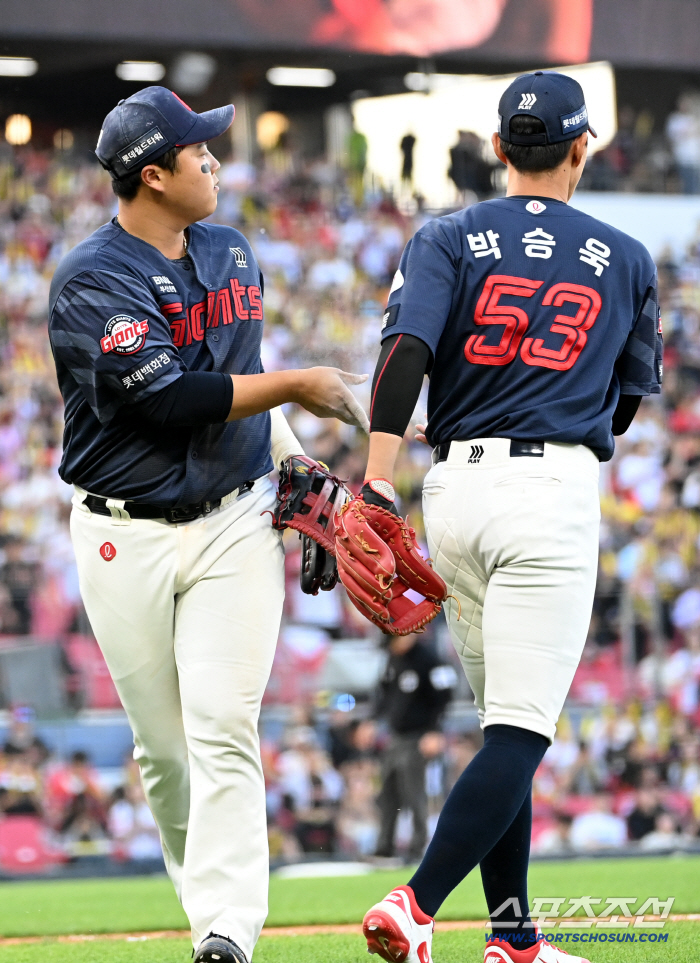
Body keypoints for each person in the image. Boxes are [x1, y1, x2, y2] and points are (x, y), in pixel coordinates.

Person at [48, 86, 368, 963]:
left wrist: (296, 455)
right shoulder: (91, 278)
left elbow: (241, 376)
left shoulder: (230, 252)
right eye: (199, 152)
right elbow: (169, 397)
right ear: (153, 175)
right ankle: (209, 906)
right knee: (165, 751)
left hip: (237, 518)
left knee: (224, 722)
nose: (215, 161)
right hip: (125, 534)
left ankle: (226, 931)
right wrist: (300, 383)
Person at [354, 71, 662, 963]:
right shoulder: (627, 255)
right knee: (523, 729)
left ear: (497, 149)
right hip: (547, 488)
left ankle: (515, 939)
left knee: (504, 727)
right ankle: (416, 903)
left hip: (455, 490)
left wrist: (378, 481)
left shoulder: (447, 235)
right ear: (582, 147)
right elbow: (624, 405)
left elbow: (405, 352)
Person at [374, 632, 456, 862]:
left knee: (414, 792)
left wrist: (435, 731)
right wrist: (373, 720)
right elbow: (384, 693)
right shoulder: (393, 659)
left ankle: (418, 847)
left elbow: (444, 698)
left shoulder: (430, 659)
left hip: (419, 736)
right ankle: (384, 847)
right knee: (388, 793)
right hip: (395, 736)